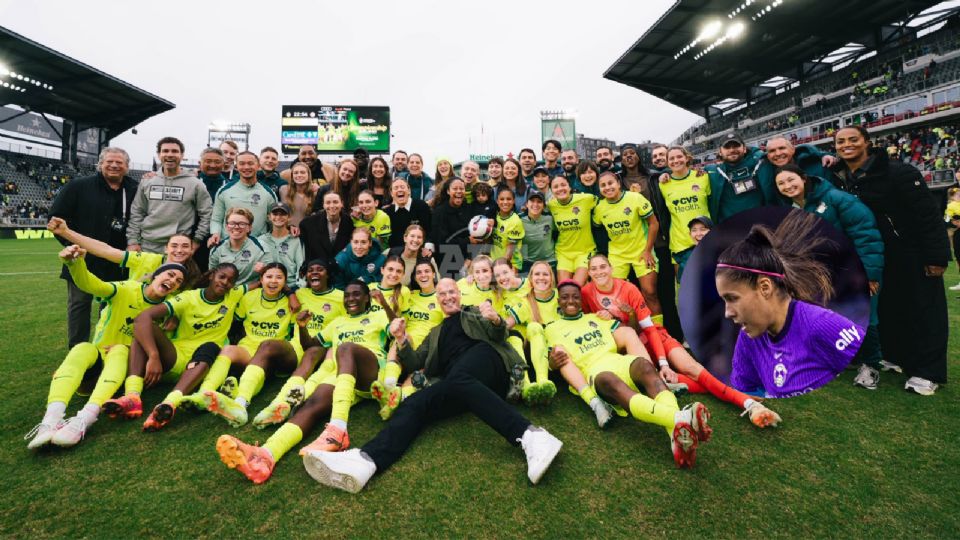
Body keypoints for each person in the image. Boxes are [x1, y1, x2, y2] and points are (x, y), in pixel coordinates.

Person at [301, 278, 562, 492]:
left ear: (459, 294)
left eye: (451, 292)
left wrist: (494, 318)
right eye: (442, 294)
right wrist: (402, 339)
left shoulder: (473, 312)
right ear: (437, 300)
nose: (447, 297)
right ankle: (365, 461)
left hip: (490, 362)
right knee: (415, 403)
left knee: (458, 377)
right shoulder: (435, 333)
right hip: (461, 383)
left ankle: (532, 436)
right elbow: (415, 363)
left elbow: (499, 334)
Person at [213, 280, 390, 484]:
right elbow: (311, 345)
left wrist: (386, 307)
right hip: (341, 374)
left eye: (357, 294)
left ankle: (338, 428)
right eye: (347, 295)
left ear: (367, 297)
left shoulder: (378, 315)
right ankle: (266, 455)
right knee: (311, 406)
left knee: (345, 348)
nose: (351, 299)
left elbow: (396, 330)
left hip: (370, 372)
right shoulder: (338, 322)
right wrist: (302, 327)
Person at [582, 254, 780, 427]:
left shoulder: (628, 289)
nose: (599, 272)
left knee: (691, 369)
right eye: (594, 268)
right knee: (657, 382)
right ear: (588, 273)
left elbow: (649, 329)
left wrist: (663, 363)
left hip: (656, 338)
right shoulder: (586, 293)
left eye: (603, 266)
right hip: (630, 350)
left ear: (611, 268)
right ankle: (736, 392)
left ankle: (748, 404)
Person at [25, 246, 185, 449]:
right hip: (96, 368)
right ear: (156, 275)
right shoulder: (127, 289)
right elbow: (92, 285)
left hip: (126, 373)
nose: (172, 281)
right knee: (82, 347)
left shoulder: (170, 309)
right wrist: (75, 264)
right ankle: (50, 420)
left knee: (120, 350)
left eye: (178, 281)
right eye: (170, 274)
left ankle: (84, 419)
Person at [832, 126, 950, 395]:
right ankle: (895, 357)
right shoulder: (839, 176)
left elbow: (928, 216)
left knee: (924, 311)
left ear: (867, 142)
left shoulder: (898, 172)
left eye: (853, 139)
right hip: (877, 253)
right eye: (841, 141)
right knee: (889, 307)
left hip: (911, 251)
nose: (847, 145)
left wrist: (937, 256)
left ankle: (926, 372)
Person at [545, 281, 711, 468]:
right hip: (596, 371)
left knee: (644, 366)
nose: (571, 301)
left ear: (581, 299)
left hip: (618, 361)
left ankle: (677, 433)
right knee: (610, 381)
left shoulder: (598, 318)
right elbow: (553, 363)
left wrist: (630, 315)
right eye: (565, 297)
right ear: (558, 301)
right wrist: (552, 363)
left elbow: (632, 329)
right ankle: (682, 418)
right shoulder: (551, 328)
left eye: (575, 297)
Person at [716, 210, 864, 398]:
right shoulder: (748, 338)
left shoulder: (819, 324)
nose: (727, 313)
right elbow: (746, 399)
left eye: (733, 298)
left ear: (764, 287)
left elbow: (868, 372)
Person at [775, 164, 886, 389]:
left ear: (804, 178)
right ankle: (846, 359)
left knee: (864, 317)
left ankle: (871, 366)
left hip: (854, 270)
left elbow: (866, 234)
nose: (787, 186)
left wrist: (870, 274)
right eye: (781, 184)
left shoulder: (837, 198)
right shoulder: (794, 209)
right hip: (827, 275)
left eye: (791, 180)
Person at [131, 264, 248, 431]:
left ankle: (170, 403)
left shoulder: (233, 295)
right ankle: (132, 395)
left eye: (230, 281)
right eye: (222, 277)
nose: (225, 282)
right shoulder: (188, 297)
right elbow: (143, 317)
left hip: (201, 364)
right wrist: (154, 355)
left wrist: (289, 292)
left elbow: (263, 282)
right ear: (211, 276)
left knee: (211, 346)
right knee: (143, 334)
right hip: (176, 357)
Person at [49, 147, 139, 347]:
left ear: (127, 166)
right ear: (100, 164)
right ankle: (77, 352)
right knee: (79, 305)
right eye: (109, 162)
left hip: (117, 263)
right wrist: (71, 247)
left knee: (111, 307)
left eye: (119, 162)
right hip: (81, 259)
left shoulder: (135, 189)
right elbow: (56, 220)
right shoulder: (78, 186)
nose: (114, 165)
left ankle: (104, 351)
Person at [250, 258, 346, 429]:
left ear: (328, 274)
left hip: (323, 349)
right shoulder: (299, 294)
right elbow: (280, 286)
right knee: (267, 345)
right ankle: (241, 400)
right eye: (310, 270)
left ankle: (280, 404)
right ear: (305, 275)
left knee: (311, 352)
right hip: (296, 346)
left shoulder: (341, 297)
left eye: (320, 269)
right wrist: (289, 292)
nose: (314, 272)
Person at [199, 263, 297, 426]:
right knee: (228, 350)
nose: (273, 281)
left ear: (285, 282)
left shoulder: (291, 302)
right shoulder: (249, 297)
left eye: (279, 277)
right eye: (269, 276)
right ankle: (204, 395)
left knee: (265, 348)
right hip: (249, 348)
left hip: (274, 351)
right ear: (261, 279)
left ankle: (241, 402)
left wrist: (291, 295)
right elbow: (234, 321)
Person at [47, 217, 201, 290]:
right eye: (174, 245)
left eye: (185, 246)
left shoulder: (192, 276)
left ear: (191, 250)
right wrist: (66, 232)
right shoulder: (146, 259)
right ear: (166, 249)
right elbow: (106, 250)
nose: (179, 250)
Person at [592, 171, 661, 318]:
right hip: (618, 255)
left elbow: (654, 224)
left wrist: (648, 251)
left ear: (618, 183)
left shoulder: (635, 198)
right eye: (602, 185)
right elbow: (596, 227)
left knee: (650, 292)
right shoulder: (599, 209)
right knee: (614, 296)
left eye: (610, 183)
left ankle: (658, 333)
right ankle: (627, 330)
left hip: (641, 251)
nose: (607, 187)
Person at [127, 137, 213, 254]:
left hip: (179, 248)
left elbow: (207, 214)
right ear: (159, 154)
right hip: (147, 245)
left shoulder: (195, 184)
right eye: (165, 151)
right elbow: (137, 212)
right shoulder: (148, 181)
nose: (170, 154)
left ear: (182, 155)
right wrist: (133, 241)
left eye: (175, 151)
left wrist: (197, 240)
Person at [659, 146, 711, 279]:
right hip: (680, 243)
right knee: (686, 287)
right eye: (671, 158)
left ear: (687, 158)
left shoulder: (703, 177)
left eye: (679, 157)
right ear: (667, 162)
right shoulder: (664, 184)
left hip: (705, 239)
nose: (676, 161)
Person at [705, 132, 776, 223]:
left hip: (760, 225)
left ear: (744, 149)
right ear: (720, 152)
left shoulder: (761, 163)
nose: (732, 150)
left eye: (736, 146)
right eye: (727, 147)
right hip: (730, 230)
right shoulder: (712, 172)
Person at [209, 151, 278, 243]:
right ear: (236, 167)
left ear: (258, 166)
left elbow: (274, 223)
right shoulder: (224, 191)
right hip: (229, 246)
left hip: (258, 248)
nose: (246, 167)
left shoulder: (268, 193)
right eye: (242, 164)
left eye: (250, 163)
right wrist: (215, 233)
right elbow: (216, 219)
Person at [548, 175, 596, 285]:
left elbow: (605, 205)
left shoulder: (586, 199)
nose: (560, 189)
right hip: (563, 253)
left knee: (576, 287)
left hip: (584, 252)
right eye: (555, 187)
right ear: (551, 191)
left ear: (570, 187)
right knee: (564, 288)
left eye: (563, 185)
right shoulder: (551, 205)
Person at [431, 178, 476, 278]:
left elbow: (475, 237)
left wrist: (469, 258)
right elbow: (441, 242)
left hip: (467, 259)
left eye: (461, 188)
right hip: (447, 260)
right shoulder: (439, 212)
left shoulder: (469, 209)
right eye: (455, 188)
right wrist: (467, 240)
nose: (459, 191)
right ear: (448, 191)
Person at [208, 207, 265, 284]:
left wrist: (264, 270)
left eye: (242, 224)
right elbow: (212, 277)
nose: (236, 227)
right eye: (232, 223)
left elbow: (269, 274)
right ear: (226, 226)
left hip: (250, 291)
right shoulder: (217, 249)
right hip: (224, 291)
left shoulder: (262, 247)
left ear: (249, 228)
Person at [257, 203, 304, 288]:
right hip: (267, 285)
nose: (278, 217)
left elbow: (301, 266)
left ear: (289, 217)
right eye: (275, 214)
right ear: (269, 217)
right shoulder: (261, 240)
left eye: (283, 214)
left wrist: (300, 287)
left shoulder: (295, 240)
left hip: (290, 285)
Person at [300, 191, 354, 263]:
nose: (332, 206)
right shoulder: (309, 223)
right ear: (323, 205)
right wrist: (291, 228)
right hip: (320, 267)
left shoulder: (349, 222)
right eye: (328, 203)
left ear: (342, 204)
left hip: (341, 267)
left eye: (335, 202)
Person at [384, 178, 433, 249]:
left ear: (409, 191)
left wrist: (427, 247)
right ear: (391, 194)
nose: (399, 189)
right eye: (396, 188)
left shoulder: (421, 206)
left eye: (402, 187)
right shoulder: (387, 212)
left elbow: (429, 230)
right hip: (396, 252)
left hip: (419, 249)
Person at [520, 192, 555, 273]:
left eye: (539, 201)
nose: (535, 204)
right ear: (526, 204)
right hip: (527, 262)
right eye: (532, 201)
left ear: (544, 206)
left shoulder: (550, 218)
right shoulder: (518, 219)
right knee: (526, 285)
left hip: (549, 261)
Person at [490, 189, 525, 271]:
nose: (505, 202)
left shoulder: (515, 221)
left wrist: (500, 268)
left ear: (513, 201)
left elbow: (510, 251)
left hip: (511, 264)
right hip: (495, 261)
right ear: (497, 201)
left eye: (508, 199)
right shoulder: (494, 217)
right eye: (502, 199)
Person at [278, 161, 317, 229]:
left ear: (308, 175)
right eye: (296, 173)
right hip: (287, 232)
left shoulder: (315, 193)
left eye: (302, 172)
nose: (299, 175)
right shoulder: (283, 190)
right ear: (292, 176)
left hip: (307, 233)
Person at [945, 187, 960, 290]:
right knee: (958, 257)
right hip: (957, 234)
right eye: (958, 195)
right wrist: (955, 222)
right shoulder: (950, 207)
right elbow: (947, 221)